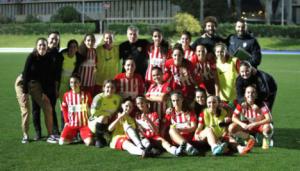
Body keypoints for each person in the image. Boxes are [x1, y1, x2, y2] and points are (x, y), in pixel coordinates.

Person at [22, 37, 56, 143]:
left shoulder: (49, 58)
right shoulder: (31, 57)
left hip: (37, 85)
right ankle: (29, 135)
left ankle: (51, 135)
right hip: (24, 83)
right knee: (29, 110)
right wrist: (25, 92)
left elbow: (47, 77)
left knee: (47, 108)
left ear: (47, 47)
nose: (42, 47)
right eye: (40, 45)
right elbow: (25, 74)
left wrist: (44, 93)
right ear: (36, 47)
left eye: (44, 45)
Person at [59, 75, 93, 146]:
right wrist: (66, 122)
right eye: (71, 82)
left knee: (89, 143)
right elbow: (64, 109)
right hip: (71, 125)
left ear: (80, 83)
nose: (73, 84)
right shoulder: (66, 95)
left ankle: (81, 135)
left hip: (84, 125)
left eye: (75, 82)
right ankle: (74, 136)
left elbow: (92, 109)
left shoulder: (87, 95)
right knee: (62, 142)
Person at [164, 91, 199, 156]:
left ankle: (185, 147)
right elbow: (165, 126)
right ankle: (188, 147)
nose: (176, 103)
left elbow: (194, 127)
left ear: (182, 100)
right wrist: (166, 114)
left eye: (178, 100)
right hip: (176, 140)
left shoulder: (190, 112)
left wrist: (180, 130)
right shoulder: (170, 113)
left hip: (189, 138)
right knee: (171, 129)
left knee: (172, 129)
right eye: (173, 101)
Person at [89, 80, 121, 148]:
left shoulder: (117, 98)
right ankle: (98, 139)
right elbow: (93, 112)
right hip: (95, 121)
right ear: (103, 88)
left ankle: (106, 136)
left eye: (112, 87)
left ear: (115, 89)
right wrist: (106, 115)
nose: (110, 89)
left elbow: (117, 110)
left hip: (108, 120)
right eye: (108, 87)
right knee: (104, 117)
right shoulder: (99, 98)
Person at [15, 74, 31, 143]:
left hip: (35, 82)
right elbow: (26, 75)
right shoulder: (32, 62)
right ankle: (25, 135)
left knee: (47, 106)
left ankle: (51, 134)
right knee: (26, 110)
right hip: (22, 83)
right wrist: (25, 92)